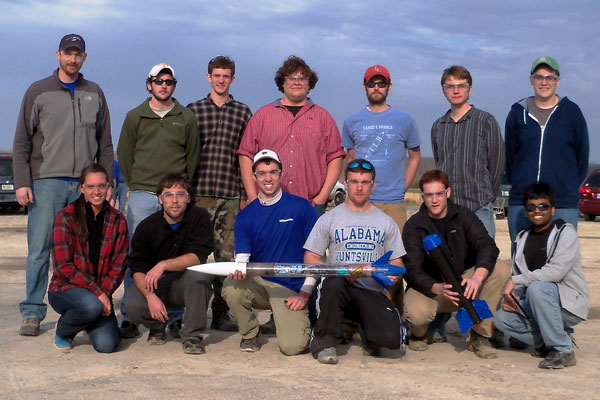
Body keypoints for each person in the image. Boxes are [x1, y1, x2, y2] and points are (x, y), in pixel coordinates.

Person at [13, 34, 114, 336]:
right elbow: (21, 142)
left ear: (84, 58)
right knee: (40, 250)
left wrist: (104, 183)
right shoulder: (38, 91)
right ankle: (32, 311)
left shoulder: (94, 92)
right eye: (68, 53)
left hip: (85, 187)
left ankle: (80, 309)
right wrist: (22, 182)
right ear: (57, 54)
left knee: (82, 251)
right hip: (46, 182)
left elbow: (105, 144)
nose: (73, 59)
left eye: (78, 54)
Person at [117, 63, 199, 337]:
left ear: (174, 85)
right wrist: (137, 183)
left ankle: (174, 316)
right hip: (142, 195)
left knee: (172, 255)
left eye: (169, 81)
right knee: (137, 256)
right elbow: (125, 154)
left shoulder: (185, 117)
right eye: (158, 81)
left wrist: (179, 192)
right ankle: (130, 315)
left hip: (175, 197)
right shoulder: (135, 117)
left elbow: (192, 156)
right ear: (149, 84)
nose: (164, 85)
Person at [304, 159, 406, 364]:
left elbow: (397, 264)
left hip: (371, 290)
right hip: (338, 288)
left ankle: (362, 329)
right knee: (333, 283)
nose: (359, 187)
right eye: (355, 181)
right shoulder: (330, 218)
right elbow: (311, 257)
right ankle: (324, 342)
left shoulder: (386, 222)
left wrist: (394, 273)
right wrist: (337, 271)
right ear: (346, 182)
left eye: (365, 182)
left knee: (391, 342)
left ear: (373, 185)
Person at [402, 170, 511, 359]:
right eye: (429, 195)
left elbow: (487, 246)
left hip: (465, 283)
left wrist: (477, 277)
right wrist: (437, 287)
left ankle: (480, 336)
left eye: (439, 194)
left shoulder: (464, 216)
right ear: (422, 196)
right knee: (416, 314)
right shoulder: (414, 225)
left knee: (500, 269)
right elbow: (412, 270)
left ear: (448, 193)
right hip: (433, 288)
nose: (434, 200)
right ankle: (419, 334)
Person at [342, 64, 420, 312]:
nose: (377, 88)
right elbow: (351, 159)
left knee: (394, 263)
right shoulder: (352, 120)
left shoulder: (405, 120)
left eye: (381, 83)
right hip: (362, 203)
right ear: (365, 87)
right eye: (372, 84)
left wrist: (402, 186)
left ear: (389, 87)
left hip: (393, 203)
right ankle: (357, 313)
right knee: (360, 259)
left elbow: (415, 156)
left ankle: (394, 312)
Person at [222, 149, 317, 355]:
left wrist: (305, 293)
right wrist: (238, 269)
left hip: (290, 288)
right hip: (260, 284)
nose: (268, 178)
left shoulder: (301, 207)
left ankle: (295, 324)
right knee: (231, 286)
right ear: (254, 177)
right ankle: (250, 333)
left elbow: (316, 256)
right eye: (262, 173)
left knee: (293, 348)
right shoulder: (246, 216)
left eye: (273, 172)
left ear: (281, 174)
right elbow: (243, 259)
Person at [187, 56, 252, 331]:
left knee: (226, 256)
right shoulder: (193, 110)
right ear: (208, 77)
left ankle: (222, 311)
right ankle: (192, 312)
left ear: (232, 79)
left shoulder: (243, 112)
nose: (221, 80)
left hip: (229, 194)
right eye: (217, 75)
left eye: (226, 76)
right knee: (196, 255)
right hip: (199, 193)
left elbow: (245, 154)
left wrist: (245, 195)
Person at [494, 182, 590, 369]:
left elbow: (555, 272)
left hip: (567, 304)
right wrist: (513, 300)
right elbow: (519, 274)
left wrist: (515, 281)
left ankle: (563, 349)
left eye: (543, 206)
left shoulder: (565, 232)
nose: (537, 210)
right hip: (534, 303)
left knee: (538, 288)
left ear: (552, 210)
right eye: (531, 207)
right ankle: (554, 339)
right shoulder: (522, 238)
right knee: (502, 319)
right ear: (525, 211)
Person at [237, 55, 345, 216]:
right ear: (282, 82)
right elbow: (246, 155)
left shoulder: (323, 118)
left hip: (310, 206)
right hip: (268, 205)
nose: (296, 82)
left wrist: (321, 198)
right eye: (291, 78)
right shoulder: (262, 116)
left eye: (302, 78)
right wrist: (253, 197)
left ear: (310, 84)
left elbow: (336, 158)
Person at [124, 174, 214, 354]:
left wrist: (163, 264)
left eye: (180, 194)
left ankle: (192, 336)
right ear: (160, 199)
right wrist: (150, 296)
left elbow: (198, 256)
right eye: (168, 195)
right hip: (158, 285)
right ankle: (157, 327)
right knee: (132, 301)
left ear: (188, 198)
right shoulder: (147, 227)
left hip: (185, 284)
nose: (174, 201)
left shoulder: (199, 218)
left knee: (200, 275)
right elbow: (138, 268)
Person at [505, 56, 589, 244]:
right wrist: (520, 181)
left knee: (560, 264)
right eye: (539, 77)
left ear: (558, 81)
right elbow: (510, 156)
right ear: (531, 80)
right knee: (522, 264)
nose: (544, 82)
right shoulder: (518, 113)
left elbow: (582, 157)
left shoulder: (572, 113)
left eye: (549, 77)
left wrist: (567, 185)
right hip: (523, 201)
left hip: (562, 203)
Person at [48, 164, 128, 353]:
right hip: (65, 288)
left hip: (99, 292)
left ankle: (87, 317)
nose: (97, 191)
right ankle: (64, 331)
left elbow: (119, 265)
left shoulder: (118, 219)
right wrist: (98, 294)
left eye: (101, 186)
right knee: (91, 306)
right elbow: (63, 267)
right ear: (81, 188)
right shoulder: (65, 217)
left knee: (107, 345)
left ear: (109, 187)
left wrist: (105, 292)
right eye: (91, 187)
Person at [431, 65, 504, 238]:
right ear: (444, 91)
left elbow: (497, 164)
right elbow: (439, 162)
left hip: (479, 207)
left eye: (461, 86)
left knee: (483, 260)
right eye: (450, 86)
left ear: (469, 89)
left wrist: (487, 196)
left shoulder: (485, 121)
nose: (456, 91)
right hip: (447, 210)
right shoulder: (438, 127)